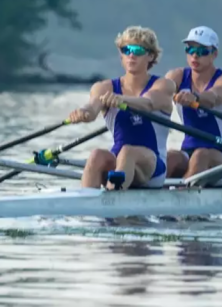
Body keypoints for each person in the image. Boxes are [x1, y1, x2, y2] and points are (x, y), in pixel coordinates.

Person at [66, 26, 176, 189]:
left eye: (138, 50)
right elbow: (92, 109)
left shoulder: (163, 85)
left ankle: (113, 195)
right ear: (121, 55)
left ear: (151, 56)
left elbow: (148, 103)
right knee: (97, 155)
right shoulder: (104, 87)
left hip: (153, 168)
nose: (131, 55)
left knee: (128, 151)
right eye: (126, 50)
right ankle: (86, 200)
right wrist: (83, 112)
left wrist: (122, 100)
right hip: (119, 160)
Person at [165, 26, 222, 184]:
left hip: (221, 159)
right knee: (170, 157)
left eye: (202, 51)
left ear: (214, 54)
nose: (195, 55)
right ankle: (157, 196)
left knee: (200, 155)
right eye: (190, 49)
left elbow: (213, 97)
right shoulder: (177, 76)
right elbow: (158, 91)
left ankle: (182, 193)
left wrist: (195, 97)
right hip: (188, 152)